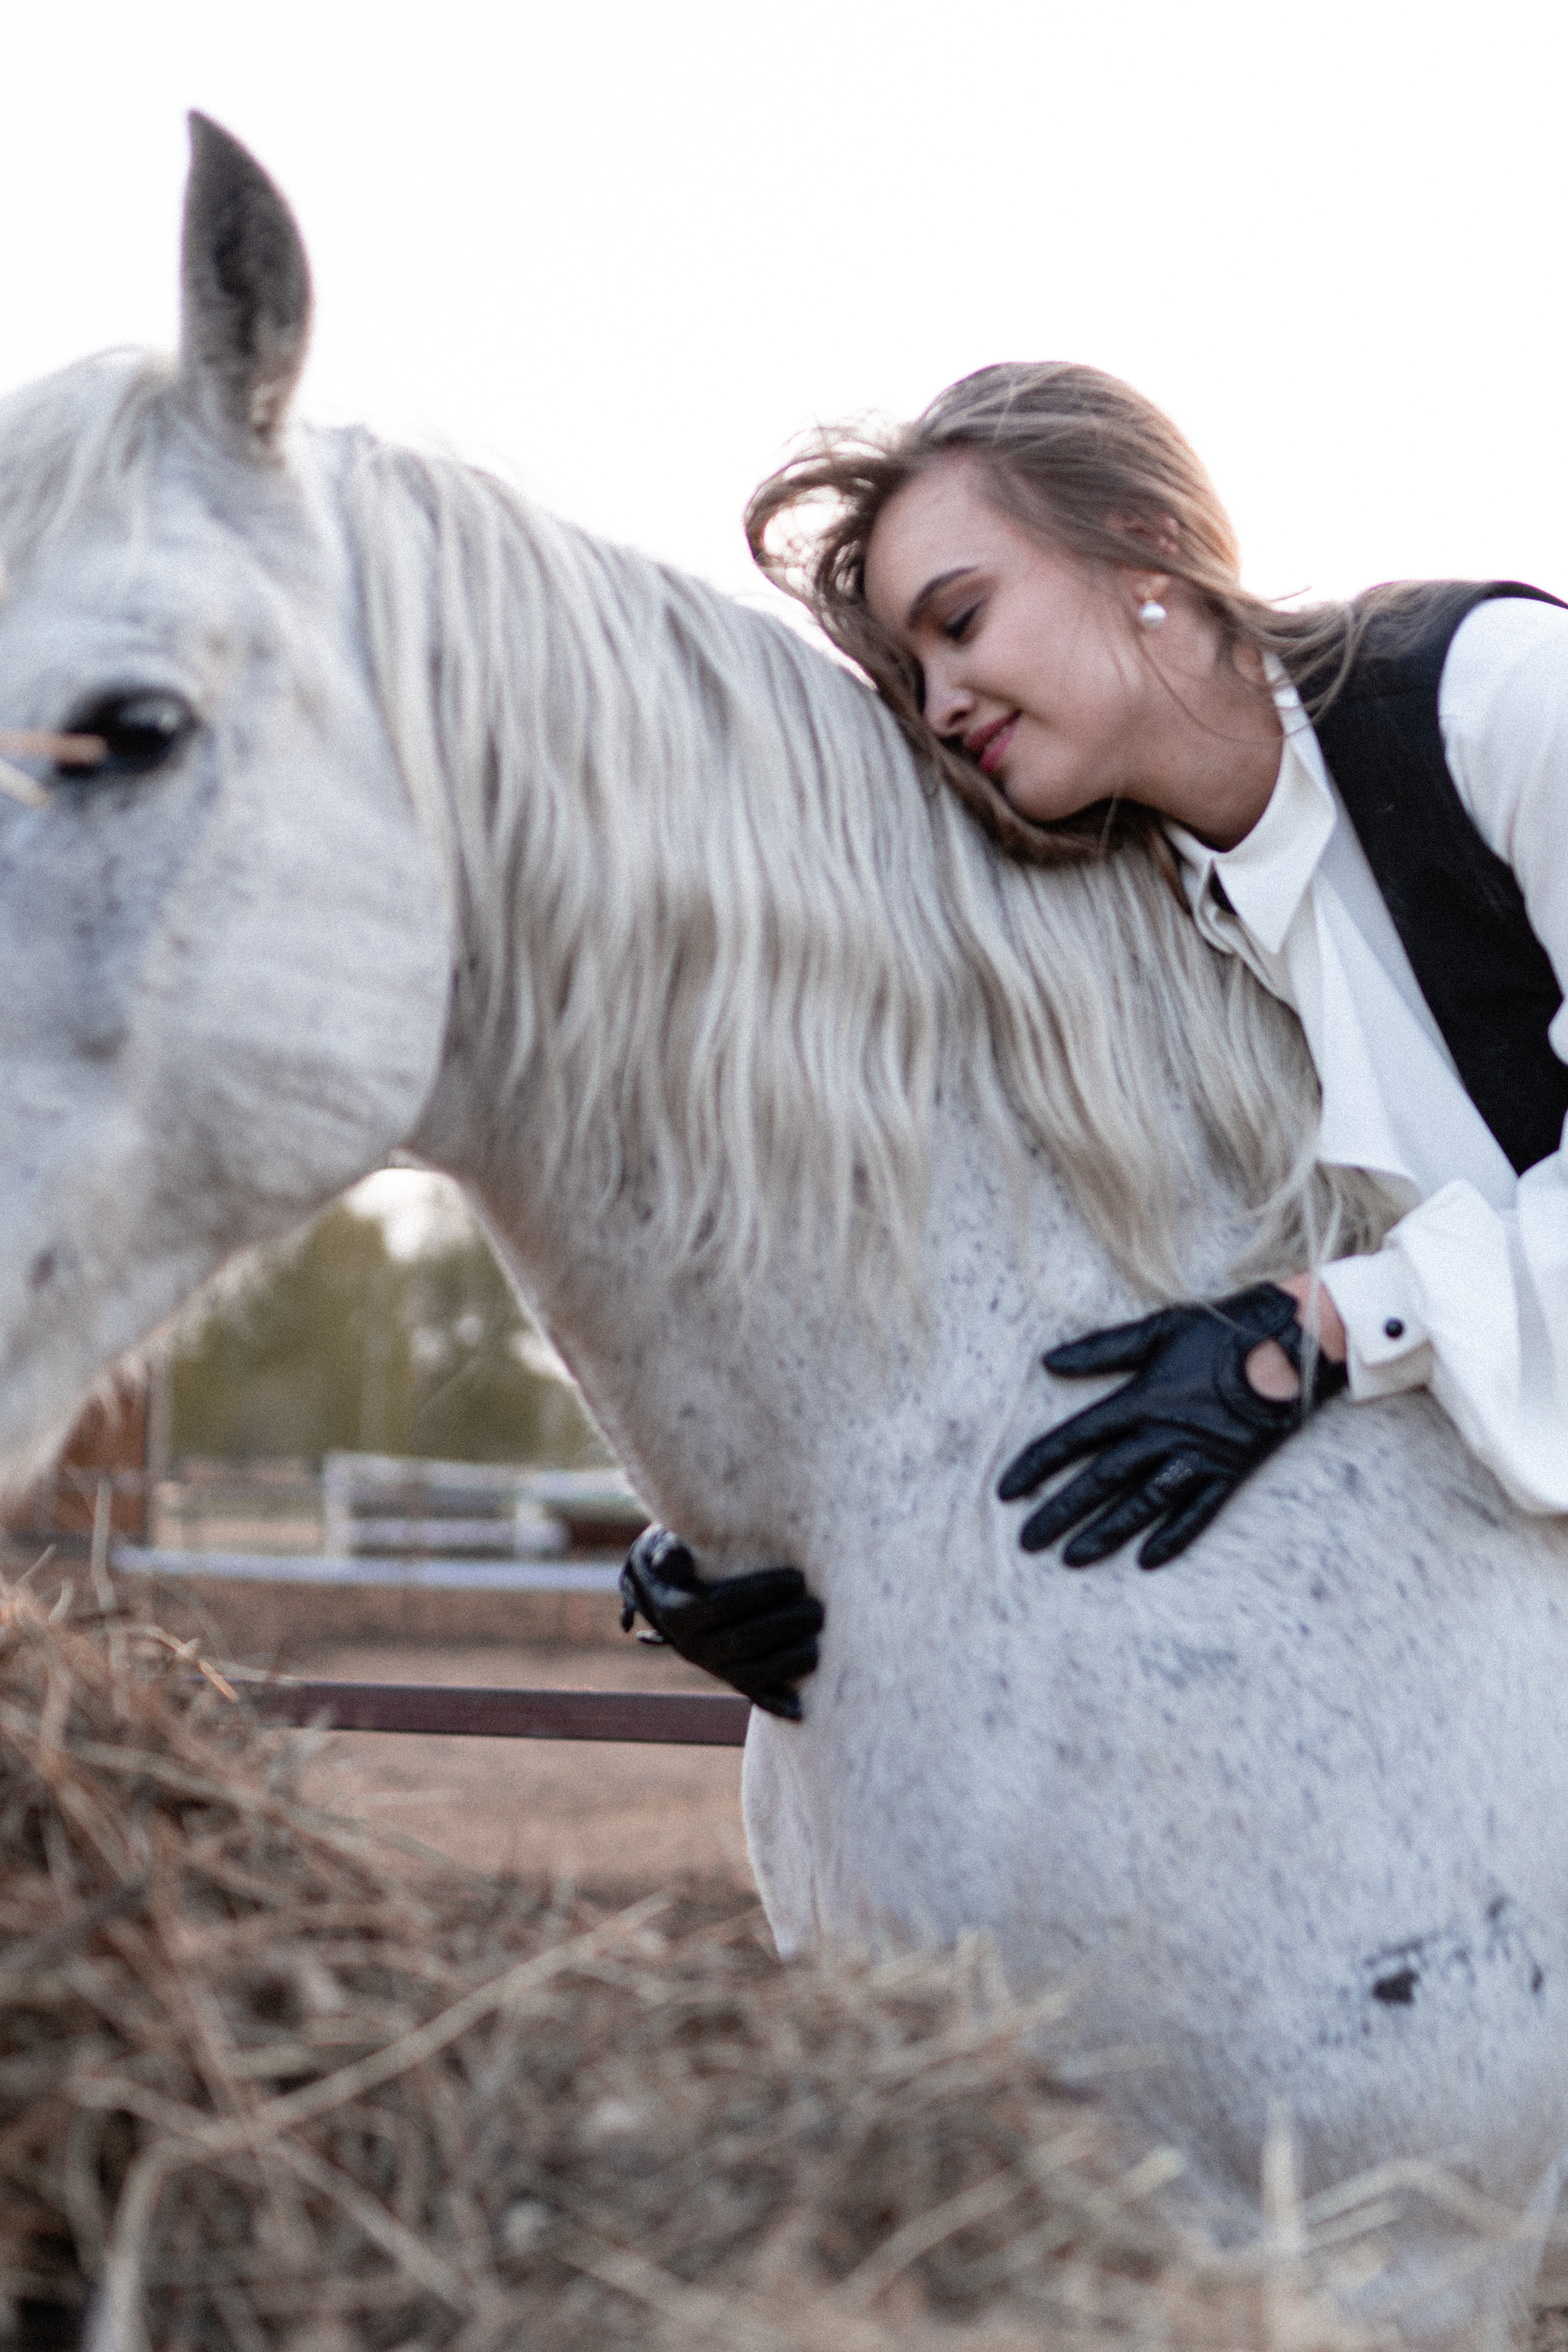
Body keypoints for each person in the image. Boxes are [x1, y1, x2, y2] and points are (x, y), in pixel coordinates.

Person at [620, 361, 1568, 1707]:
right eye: (913, 671)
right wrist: (724, 1531)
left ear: (1144, 543)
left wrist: (1326, 1326)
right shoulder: (1128, 910)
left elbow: (1310, 1317)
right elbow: (1036, 1281)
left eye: (959, 620)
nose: (941, 701)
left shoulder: (1502, 704)